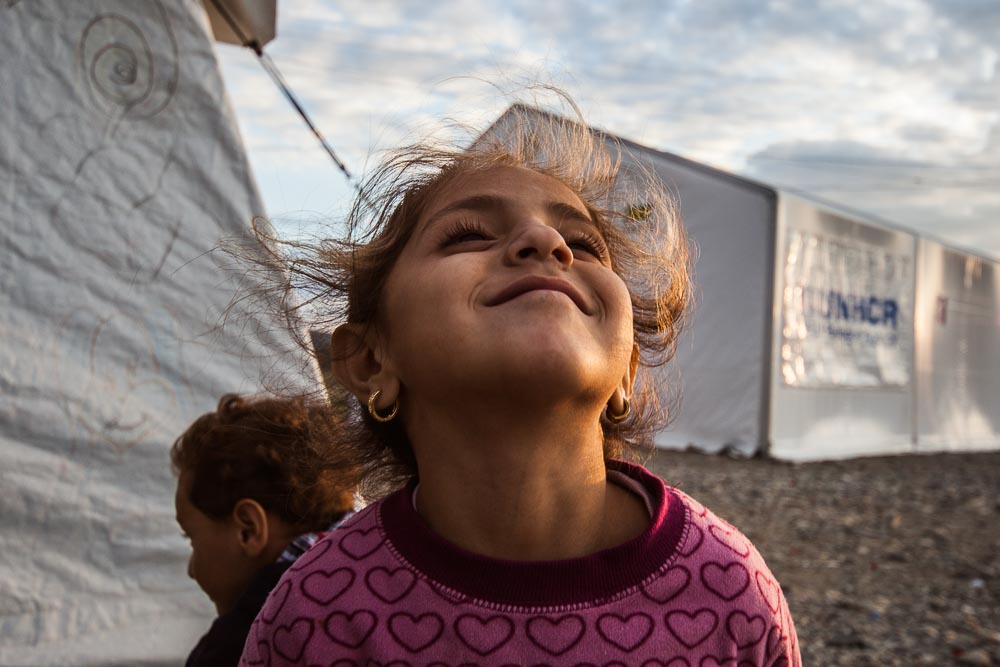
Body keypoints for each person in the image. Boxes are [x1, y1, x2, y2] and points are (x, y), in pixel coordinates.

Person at [238, 99, 801, 665]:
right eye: (467, 235)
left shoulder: (731, 593)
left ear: (628, 368)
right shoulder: (316, 615)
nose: (545, 242)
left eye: (582, 245)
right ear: (369, 364)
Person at [172, 393, 356, 667]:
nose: (190, 570)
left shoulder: (236, 646)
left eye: (191, 539)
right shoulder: (386, 569)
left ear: (248, 529)